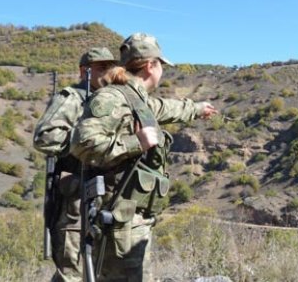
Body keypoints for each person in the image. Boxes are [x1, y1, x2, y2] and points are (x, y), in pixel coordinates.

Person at [70, 33, 217, 281]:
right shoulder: (112, 98)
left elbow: (167, 108)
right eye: (161, 65)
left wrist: (198, 108)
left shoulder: (137, 99)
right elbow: (82, 143)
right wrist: (137, 142)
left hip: (131, 220)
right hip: (118, 223)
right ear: (151, 65)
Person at [33, 47, 117, 282]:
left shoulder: (113, 101)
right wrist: (83, 142)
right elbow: (45, 138)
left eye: (110, 66)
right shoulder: (73, 98)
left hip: (107, 199)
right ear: (84, 71)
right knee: (73, 271)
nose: (107, 72)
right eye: (101, 67)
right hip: (76, 199)